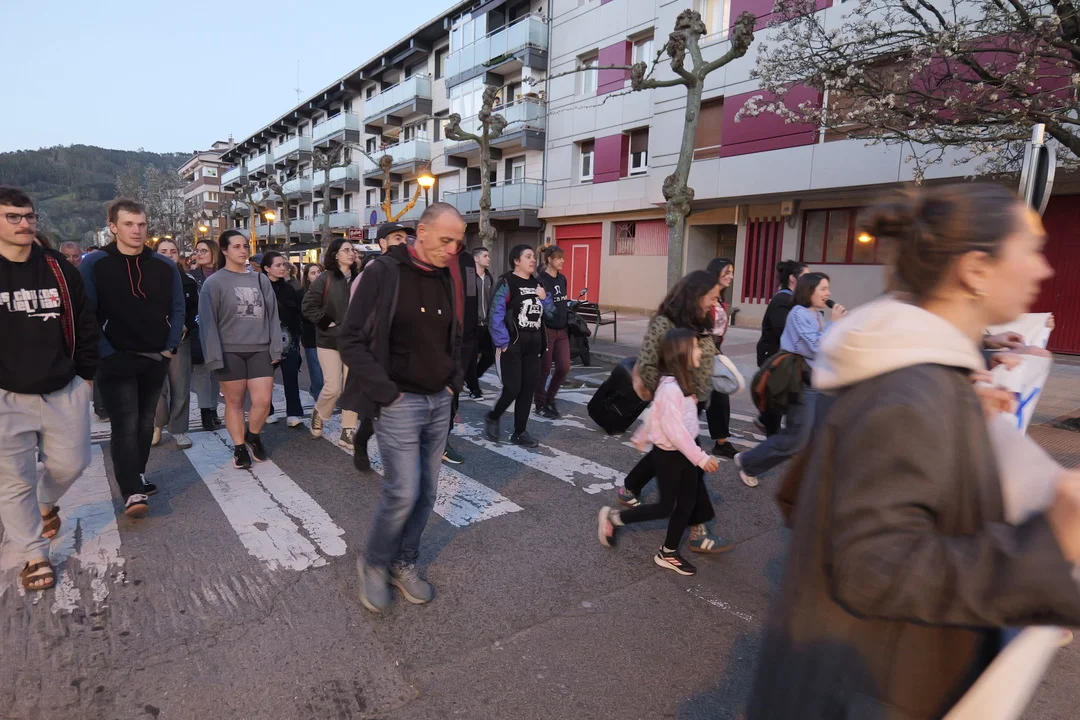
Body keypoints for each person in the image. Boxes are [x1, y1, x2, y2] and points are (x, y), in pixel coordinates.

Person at [744, 183, 1080, 720]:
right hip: (862, 694)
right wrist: (1047, 544)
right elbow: (873, 569)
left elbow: (802, 495)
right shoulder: (910, 389)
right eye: (1030, 251)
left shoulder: (917, 372)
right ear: (976, 270)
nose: (1043, 269)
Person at [339, 202, 464, 614]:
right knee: (403, 490)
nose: (452, 249)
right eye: (445, 239)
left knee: (427, 492)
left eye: (458, 242)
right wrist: (386, 392)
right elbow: (351, 339)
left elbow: (454, 336)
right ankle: (374, 563)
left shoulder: (444, 273)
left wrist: (453, 383)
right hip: (399, 401)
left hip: (438, 399)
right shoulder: (383, 272)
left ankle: (403, 562)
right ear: (421, 232)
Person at [0, 186, 98, 590]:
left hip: (62, 386)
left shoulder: (58, 268)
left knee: (72, 463)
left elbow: (85, 321)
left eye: (29, 216)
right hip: (6, 394)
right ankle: (33, 554)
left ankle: (45, 503)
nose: (25, 223)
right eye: (13, 216)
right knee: (13, 481)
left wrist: (86, 376)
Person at [80, 198, 185, 518]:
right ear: (113, 227)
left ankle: (136, 475)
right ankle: (131, 490)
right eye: (128, 224)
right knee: (125, 424)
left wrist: (169, 347)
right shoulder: (95, 263)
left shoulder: (164, 265)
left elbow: (177, 307)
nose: (137, 230)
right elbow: (87, 313)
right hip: (116, 357)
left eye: (141, 224)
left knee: (144, 424)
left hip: (155, 355)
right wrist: (106, 353)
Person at [597, 329, 726, 575]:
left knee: (687, 503)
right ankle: (614, 518)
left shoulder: (683, 383)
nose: (700, 351)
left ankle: (668, 552)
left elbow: (658, 415)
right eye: (695, 347)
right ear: (681, 354)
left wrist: (643, 434)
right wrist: (701, 458)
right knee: (665, 507)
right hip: (670, 455)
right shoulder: (671, 389)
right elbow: (674, 430)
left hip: (686, 450)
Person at [616, 271, 719, 510]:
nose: (715, 303)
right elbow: (647, 365)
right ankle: (696, 520)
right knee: (690, 458)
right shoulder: (665, 322)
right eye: (712, 297)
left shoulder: (701, 319)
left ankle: (631, 486)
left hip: (695, 400)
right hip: (675, 401)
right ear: (697, 295)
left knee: (668, 450)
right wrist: (670, 394)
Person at [735, 272, 846, 488]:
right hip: (799, 380)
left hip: (815, 381)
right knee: (797, 438)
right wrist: (834, 324)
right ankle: (750, 462)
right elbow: (816, 346)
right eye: (823, 288)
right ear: (809, 291)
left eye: (828, 288)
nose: (828, 293)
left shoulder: (817, 314)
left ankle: (811, 478)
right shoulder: (798, 313)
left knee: (813, 434)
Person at [198, 230, 282, 469]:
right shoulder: (214, 283)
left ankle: (253, 436)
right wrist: (213, 356)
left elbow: (272, 316)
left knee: (263, 401)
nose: (243, 250)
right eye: (236, 246)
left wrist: (276, 348)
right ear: (224, 250)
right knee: (234, 403)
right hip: (229, 351)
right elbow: (207, 323)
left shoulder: (260, 280)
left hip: (260, 349)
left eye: (245, 246)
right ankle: (239, 448)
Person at [348, 223, 412, 472]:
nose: (403, 243)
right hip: (379, 351)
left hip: (407, 352)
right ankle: (361, 441)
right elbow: (357, 316)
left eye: (406, 238)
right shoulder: (372, 272)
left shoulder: (412, 271)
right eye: (397, 238)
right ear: (382, 243)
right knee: (377, 408)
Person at [484, 244, 552, 448]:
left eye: (533, 257)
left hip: (534, 346)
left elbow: (549, 312)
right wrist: (503, 343)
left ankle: (520, 432)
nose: (533, 260)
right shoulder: (507, 283)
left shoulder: (538, 283)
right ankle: (493, 417)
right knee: (512, 388)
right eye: (528, 256)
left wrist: (544, 298)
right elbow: (495, 314)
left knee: (528, 388)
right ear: (516, 261)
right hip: (512, 344)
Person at [301, 238, 359, 448]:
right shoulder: (325, 278)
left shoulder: (360, 278)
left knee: (352, 387)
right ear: (335, 255)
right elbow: (308, 305)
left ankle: (348, 431)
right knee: (333, 387)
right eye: (346, 250)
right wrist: (327, 322)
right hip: (329, 340)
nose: (351, 253)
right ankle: (319, 411)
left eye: (353, 250)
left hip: (355, 342)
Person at [151, 238, 199, 450]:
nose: (168, 255)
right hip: (153, 341)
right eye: (163, 251)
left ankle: (179, 429)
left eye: (172, 251)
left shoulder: (188, 280)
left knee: (180, 387)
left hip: (181, 341)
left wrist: (188, 324)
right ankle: (157, 424)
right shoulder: (145, 279)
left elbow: (196, 310)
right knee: (156, 387)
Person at [262, 251, 304, 427]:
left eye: (284, 265)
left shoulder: (289, 288)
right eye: (278, 265)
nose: (282, 268)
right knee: (265, 379)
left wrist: (297, 336)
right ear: (267, 268)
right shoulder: (260, 288)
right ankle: (267, 411)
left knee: (291, 377)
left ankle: (293, 413)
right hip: (266, 341)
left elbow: (297, 314)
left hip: (289, 340)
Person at [704, 257, 738, 458]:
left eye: (732, 272)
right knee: (693, 397)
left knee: (720, 395)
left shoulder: (720, 300)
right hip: (699, 351)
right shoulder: (702, 296)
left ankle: (721, 441)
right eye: (726, 272)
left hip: (714, 350)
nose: (731, 276)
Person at [189, 238, 222, 432]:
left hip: (222, 329)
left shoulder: (224, 274)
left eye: (204, 251)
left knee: (217, 372)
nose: (199, 254)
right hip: (200, 329)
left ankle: (213, 408)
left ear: (214, 253)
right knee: (202, 373)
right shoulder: (191, 277)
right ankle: (205, 412)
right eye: (197, 251)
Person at [534, 245, 570, 419]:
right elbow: (542, 306)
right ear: (549, 259)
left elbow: (562, 301)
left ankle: (550, 398)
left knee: (564, 367)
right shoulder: (541, 280)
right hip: (547, 329)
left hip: (562, 330)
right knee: (545, 369)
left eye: (563, 257)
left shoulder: (562, 279)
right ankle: (540, 404)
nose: (562, 261)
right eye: (558, 258)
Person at [756, 260, 809, 367]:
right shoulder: (782, 300)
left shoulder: (795, 299)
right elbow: (786, 332)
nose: (809, 281)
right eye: (805, 277)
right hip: (775, 360)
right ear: (792, 278)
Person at [465, 246, 496, 400]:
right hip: (472, 325)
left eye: (488, 256)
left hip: (487, 325)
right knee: (471, 358)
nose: (488, 258)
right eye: (485, 256)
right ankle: (474, 389)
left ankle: (472, 377)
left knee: (490, 355)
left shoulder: (489, 278)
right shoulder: (469, 277)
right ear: (476, 259)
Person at [300, 263, 325, 402]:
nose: (317, 275)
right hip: (311, 337)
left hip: (328, 337)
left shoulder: (329, 290)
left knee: (327, 372)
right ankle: (318, 397)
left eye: (319, 272)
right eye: (313, 273)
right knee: (316, 371)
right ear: (307, 277)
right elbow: (304, 315)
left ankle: (318, 393)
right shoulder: (303, 293)